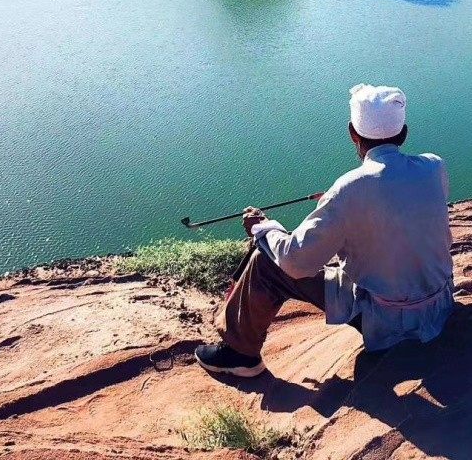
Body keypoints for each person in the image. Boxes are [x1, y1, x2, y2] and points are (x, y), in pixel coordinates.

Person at [194, 84, 454, 378]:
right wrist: (337, 201)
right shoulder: (435, 166)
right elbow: (399, 201)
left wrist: (263, 227)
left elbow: (296, 261)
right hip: (439, 307)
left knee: (267, 262)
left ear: (352, 134)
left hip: (389, 321)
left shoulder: (348, 190)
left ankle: (240, 355)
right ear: (404, 133)